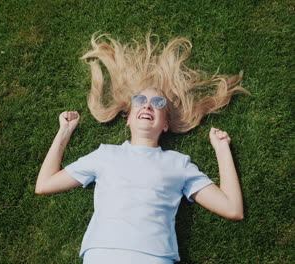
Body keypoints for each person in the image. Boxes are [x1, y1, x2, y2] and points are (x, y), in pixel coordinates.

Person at [35, 33, 248, 264]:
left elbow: (232, 209)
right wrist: (64, 132)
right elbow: (45, 184)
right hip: (101, 255)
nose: (147, 104)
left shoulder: (179, 164)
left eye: (158, 103)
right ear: (128, 119)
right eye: (139, 100)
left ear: (165, 124)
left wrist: (222, 148)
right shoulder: (105, 154)